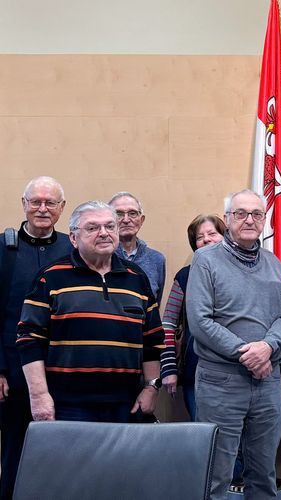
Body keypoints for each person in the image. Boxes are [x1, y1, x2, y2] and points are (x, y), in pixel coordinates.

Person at [186, 190, 281, 500]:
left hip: (267, 382)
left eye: (257, 214)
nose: (249, 219)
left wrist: (268, 347)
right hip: (222, 381)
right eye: (241, 213)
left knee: (264, 474)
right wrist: (247, 353)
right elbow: (200, 321)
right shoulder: (206, 260)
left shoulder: (273, 263)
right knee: (215, 474)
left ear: (264, 219)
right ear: (228, 219)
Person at [17, 200, 164, 423]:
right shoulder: (51, 276)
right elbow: (29, 339)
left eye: (110, 226)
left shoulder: (137, 278)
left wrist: (151, 387)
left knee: (123, 460)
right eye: (93, 228)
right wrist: (38, 396)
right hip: (66, 405)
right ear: (73, 238)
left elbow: (152, 340)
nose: (104, 233)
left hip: (126, 404)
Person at [0, 177, 72, 500]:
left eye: (50, 203)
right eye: (36, 201)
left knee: (63, 455)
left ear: (62, 209)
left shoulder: (73, 249)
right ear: (23, 204)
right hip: (13, 375)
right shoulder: (4, 249)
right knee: (14, 453)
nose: (42, 208)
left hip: (63, 372)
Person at [159, 214, 226, 418]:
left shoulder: (241, 271)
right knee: (203, 438)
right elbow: (168, 324)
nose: (206, 239)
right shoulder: (184, 276)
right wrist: (169, 368)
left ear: (225, 236)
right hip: (195, 373)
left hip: (234, 374)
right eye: (200, 236)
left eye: (212, 234)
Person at [109, 192, 167, 301]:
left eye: (132, 213)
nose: (126, 220)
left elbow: (154, 305)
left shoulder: (156, 259)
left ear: (141, 220)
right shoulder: (99, 256)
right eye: (119, 214)